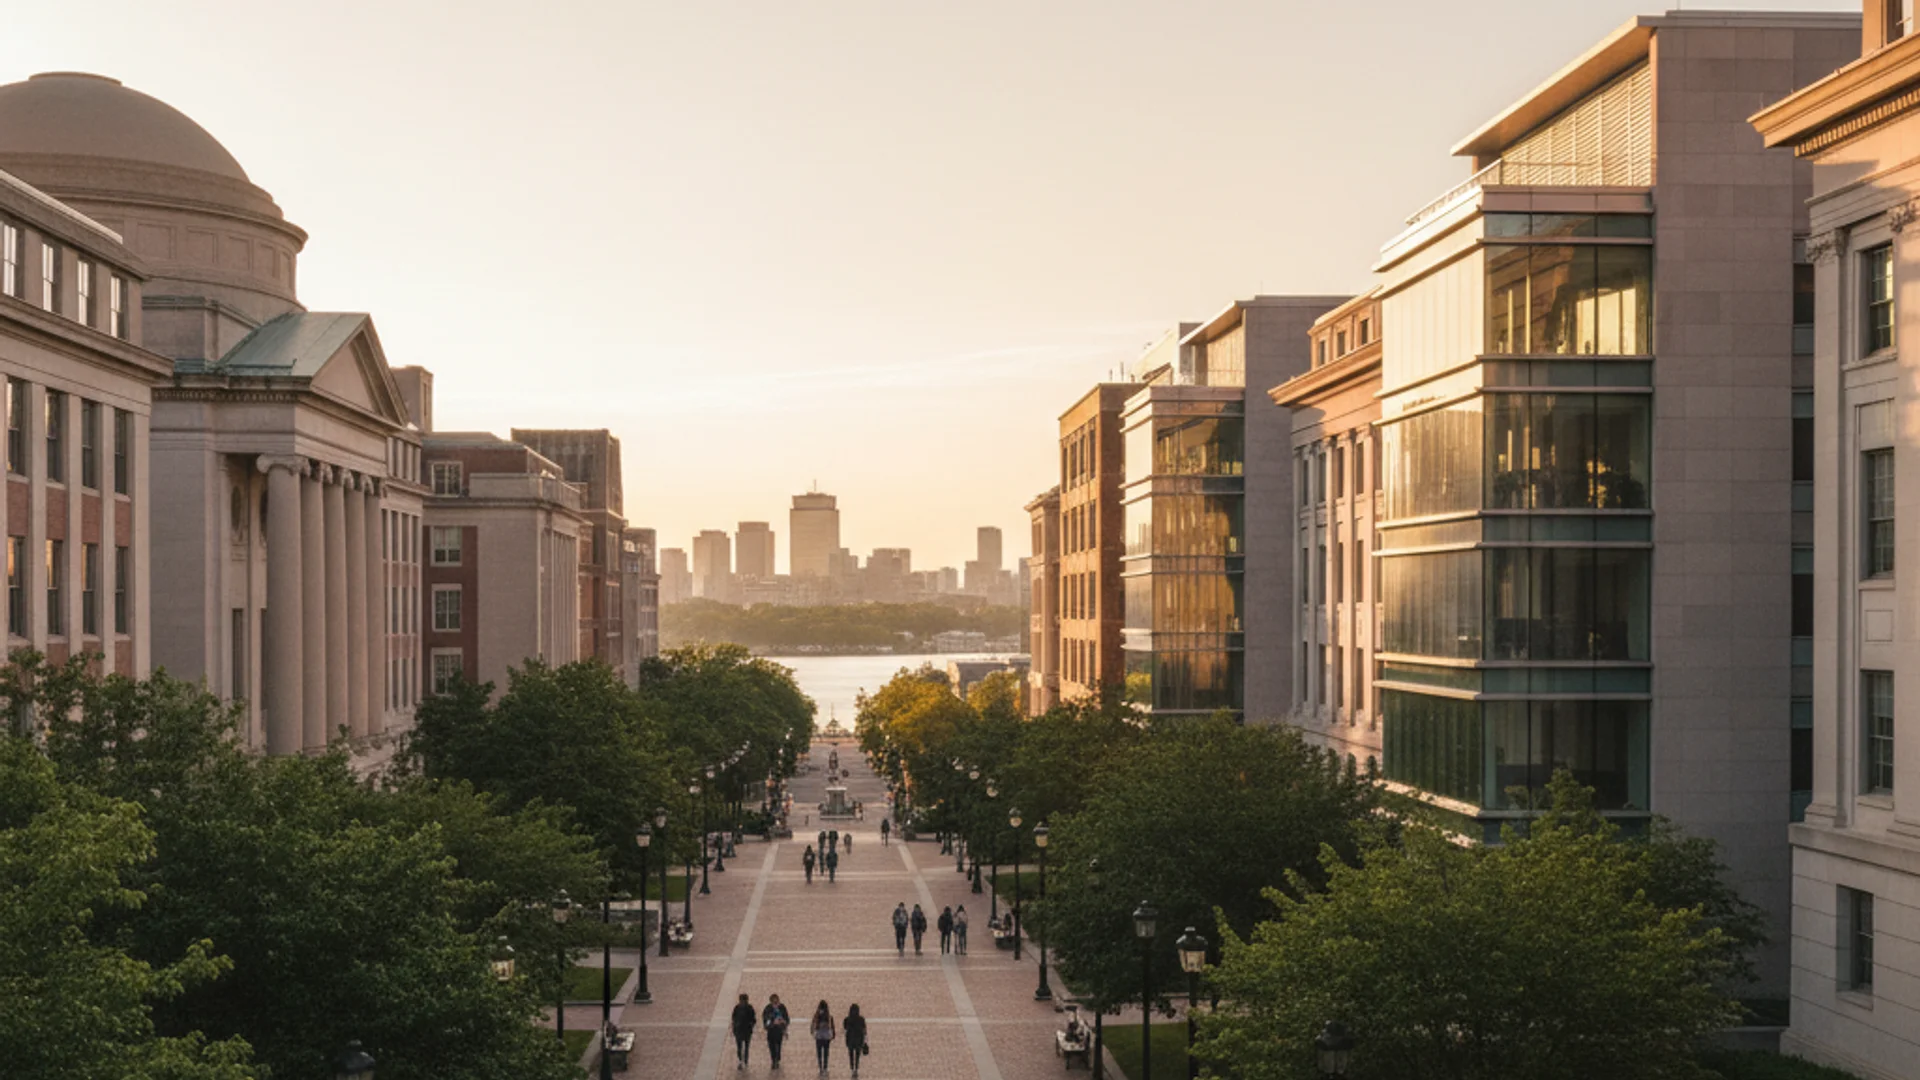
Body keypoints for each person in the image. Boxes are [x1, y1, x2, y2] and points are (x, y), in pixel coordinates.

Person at [731, 992, 757, 1071]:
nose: (742, 1002)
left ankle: (745, 1061)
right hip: (740, 1030)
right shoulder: (738, 1008)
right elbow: (734, 1018)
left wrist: (750, 1025)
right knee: (740, 1047)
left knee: (745, 1047)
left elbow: (753, 1019)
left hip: (746, 1031)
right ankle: (741, 1060)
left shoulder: (748, 1008)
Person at [764, 994, 790, 1071]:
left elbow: (786, 1018)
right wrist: (772, 1023)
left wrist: (784, 1022)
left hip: (779, 1031)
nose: (775, 1003)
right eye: (774, 1002)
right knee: (771, 1047)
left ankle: (777, 1059)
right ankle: (773, 1060)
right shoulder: (768, 1009)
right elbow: (766, 1020)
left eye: (776, 1001)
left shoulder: (782, 1008)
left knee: (778, 1046)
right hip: (771, 1031)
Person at [810, 1000, 836, 1074]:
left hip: (818, 1036)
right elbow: (832, 1026)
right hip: (826, 1036)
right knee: (826, 1052)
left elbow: (813, 1025)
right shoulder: (829, 1016)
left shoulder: (816, 1016)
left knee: (819, 1053)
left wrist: (812, 1032)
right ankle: (825, 1067)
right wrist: (833, 1034)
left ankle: (820, 1068)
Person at [843, 1003, 868, 1078]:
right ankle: (856, 1069)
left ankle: (852, 1068)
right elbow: (864, 1030)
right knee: (857, 1055)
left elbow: (845, 1028)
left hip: (850, 1039)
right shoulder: (861, 1019)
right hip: (859, 1039)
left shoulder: (847, 1019)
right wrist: (865, 1040)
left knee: (851, 1054)